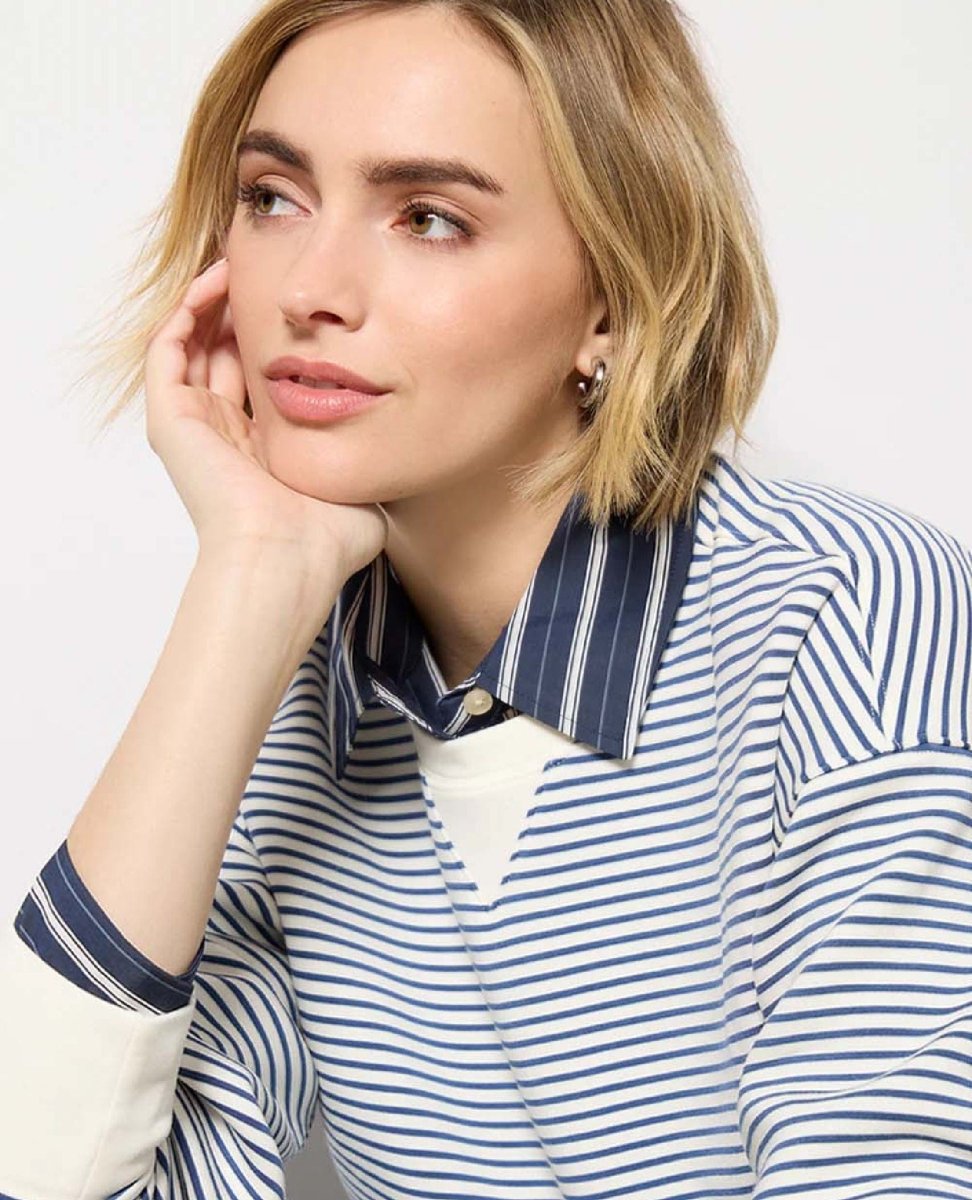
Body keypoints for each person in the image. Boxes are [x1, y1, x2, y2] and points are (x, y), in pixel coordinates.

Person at [2, 1, 970, 1198]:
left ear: (610, 299)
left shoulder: (854, 624)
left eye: (428, 218)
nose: (309, 288)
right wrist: (245, 581)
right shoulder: (283, 700)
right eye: (273, 198)